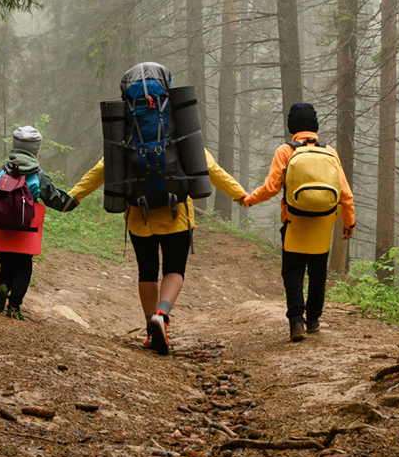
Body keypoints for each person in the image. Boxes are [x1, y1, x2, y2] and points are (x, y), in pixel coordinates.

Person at [69, 65, 246, 356]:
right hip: (177, 212)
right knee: (175, 269)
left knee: (147, 271)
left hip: (140, 216)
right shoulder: (177, 126)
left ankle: (151, 333)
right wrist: (240, 194)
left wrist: (74, 196)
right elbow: (207, 165)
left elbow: (104, 167)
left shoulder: (127, 128)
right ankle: (162, 316)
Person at [243, 103, 355, 342]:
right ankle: (313, 319)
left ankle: (296, 322)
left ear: (290, 126)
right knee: (317, 271)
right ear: (315, 126)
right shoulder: (330, 152)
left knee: (293, 271)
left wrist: (249, 200)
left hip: (294, 222)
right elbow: (345, 193)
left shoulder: (285, 151)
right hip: (323, 223)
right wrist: (349, 222)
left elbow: (272, 188)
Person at [0, 125, 77, 320]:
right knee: (24, 268)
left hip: (3, 227)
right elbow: (55, 200)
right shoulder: (38, 175)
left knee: (6, 262)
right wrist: (73, 202)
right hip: (28, 229)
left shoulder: (2, 170)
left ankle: (3, 285)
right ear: (36, 149)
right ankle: (14, 306)